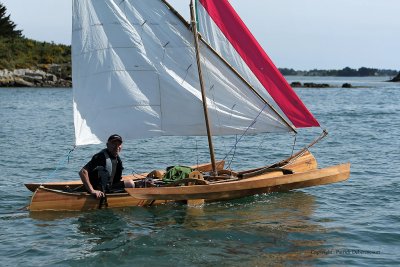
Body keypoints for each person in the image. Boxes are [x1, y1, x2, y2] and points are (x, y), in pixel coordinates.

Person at [79, 134, 134, 198]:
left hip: (109, 187)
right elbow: (82, 172)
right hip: (98, 190)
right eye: (114, 144)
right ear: (107, 145)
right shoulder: (101, 157)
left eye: (119, 144)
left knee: (137, 183)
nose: (117, 147)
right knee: (130, 184)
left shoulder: (116, 158)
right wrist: (92, 190)